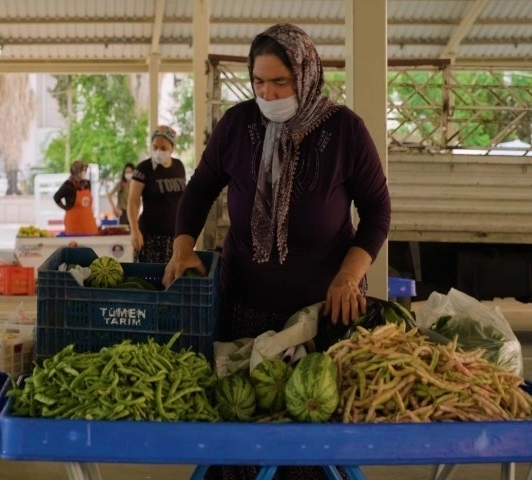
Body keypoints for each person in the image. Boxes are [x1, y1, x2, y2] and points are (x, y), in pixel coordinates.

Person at [162, 24, 391, 480]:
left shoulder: (345, 130)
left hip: (321, 314)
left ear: (305, 75)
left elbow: (378, 212)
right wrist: (182, 247)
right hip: (245, 306)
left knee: (312, 427)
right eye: (258, 82)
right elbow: (199, 190)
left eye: (280, 82)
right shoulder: (238, 124)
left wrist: (348, 277)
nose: (268, 93)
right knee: (243, 425)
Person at [128, 125, 187, 263]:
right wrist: (134, 230)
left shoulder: (179, 166)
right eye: (155, 147)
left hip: (174, 235)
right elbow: (133, 201)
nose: (158, 151)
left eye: (163, 148)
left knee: (172, 278)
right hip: (149, 236)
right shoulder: (143, 169)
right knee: (147, 280)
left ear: (172, 147)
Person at [53, 160, 98, 235]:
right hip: (74, 224)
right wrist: (65, 207)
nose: (84, 173)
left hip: (88, 222)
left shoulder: (87, 184)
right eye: (82, 171)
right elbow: (56, 197)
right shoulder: (68, 185)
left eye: (85, 171)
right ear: (76, 171)